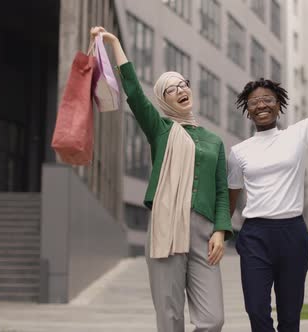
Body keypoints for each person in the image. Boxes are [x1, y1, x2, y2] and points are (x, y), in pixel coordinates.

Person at [90, 27, 232, 332]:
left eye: (184, 84)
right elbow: (134, 93)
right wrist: (113, 42)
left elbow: (222, 191)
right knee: (169, 316)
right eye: (171, 88)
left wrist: (220, 231)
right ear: (163, 99)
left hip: (204, 233)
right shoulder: (161, 129)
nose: (181, 90)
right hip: (167, 227)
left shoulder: (214, 141)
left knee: (213, 319)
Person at [227, 76, 308, 332]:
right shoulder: (238, 152)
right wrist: (218, 230)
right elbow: (231, 198)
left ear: (279, 103)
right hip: (255, 235)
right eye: (254, 102)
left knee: (290, 316)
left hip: (293, 233)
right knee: (257, 311)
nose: (261, 105)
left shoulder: (298, 135)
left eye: (267, 99)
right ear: (247, 110)